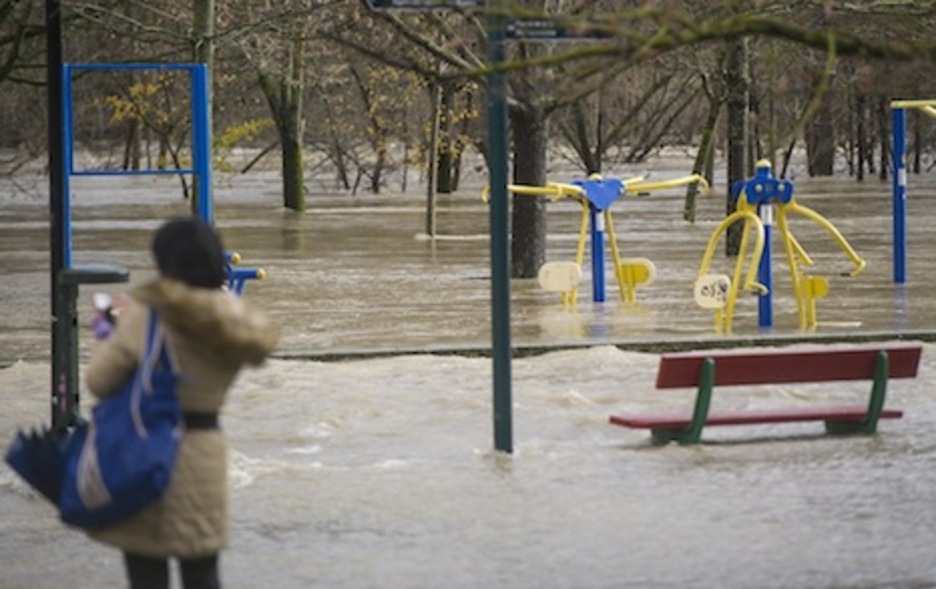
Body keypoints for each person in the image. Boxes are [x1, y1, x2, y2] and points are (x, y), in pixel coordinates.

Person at [84, 217, 279, 589]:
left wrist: (109, 328)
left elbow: (99, 381)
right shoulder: (231, 319)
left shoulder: (146, 315)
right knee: (203, 574)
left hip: (145, 452)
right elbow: (262, 335)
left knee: (147, 575)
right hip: (205, 453)